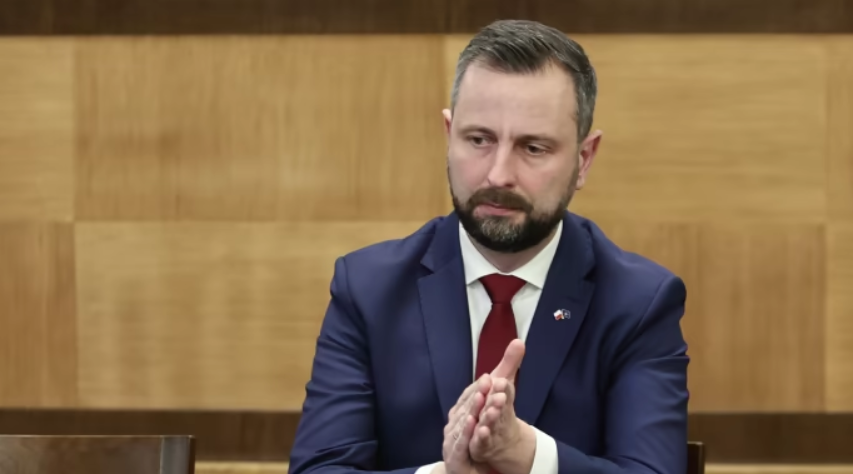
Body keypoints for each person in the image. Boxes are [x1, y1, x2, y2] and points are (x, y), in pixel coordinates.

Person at [288, 19, 689, 474]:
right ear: (448, 136)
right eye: (479, 140)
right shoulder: (369, 289)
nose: (498, 174)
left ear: (583, 159)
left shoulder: (639, 303)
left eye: (533, 148)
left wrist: (527, 455)